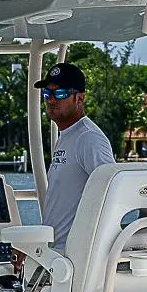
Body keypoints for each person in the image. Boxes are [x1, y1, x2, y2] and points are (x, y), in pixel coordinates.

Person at [36, 60, 114, 247]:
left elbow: (112, 193)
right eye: (47, 93)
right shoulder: (67, 136)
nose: (51, 100)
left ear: (80, 98)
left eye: (61, 93)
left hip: (74, 255)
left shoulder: (88, 138)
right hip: (56, 253)